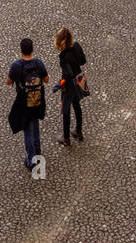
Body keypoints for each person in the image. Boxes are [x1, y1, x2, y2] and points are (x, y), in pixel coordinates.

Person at [7, 38, 49, 172]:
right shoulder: (38, 63)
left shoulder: (17, 66)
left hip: (24, 103)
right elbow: (47, 80)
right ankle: (38, 150)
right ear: (32, 50)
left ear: (21, 51)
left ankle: (31, 160)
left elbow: (8, 82)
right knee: (35, 123)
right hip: (37, 100)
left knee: (27, 130)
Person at [53, 27, 87, 146]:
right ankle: (78, 130)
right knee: (77, 105)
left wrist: (59, 84)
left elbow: (68, 74)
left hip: (69, 85)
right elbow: (83, 61)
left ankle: (66, 137)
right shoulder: (77, 46)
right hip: (79, 80)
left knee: (66, 109)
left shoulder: (63, 56)